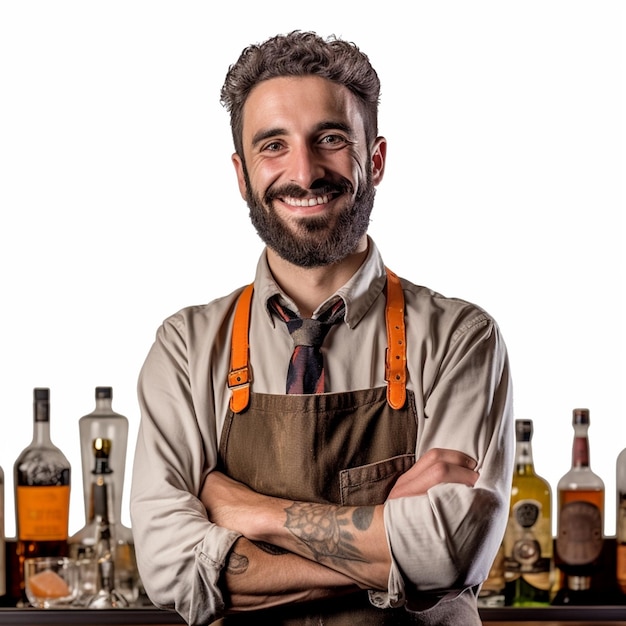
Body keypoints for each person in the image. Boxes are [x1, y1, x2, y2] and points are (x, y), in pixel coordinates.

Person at [130, 30, 514, 626]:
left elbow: (452, 549)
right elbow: (169, 567)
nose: (303, 173)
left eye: (330, 139)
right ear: (241, 174)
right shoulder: (184, 349)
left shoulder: (462, 338)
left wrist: (254, 513)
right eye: (273, 146)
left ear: (377, 159)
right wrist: (394, 552)